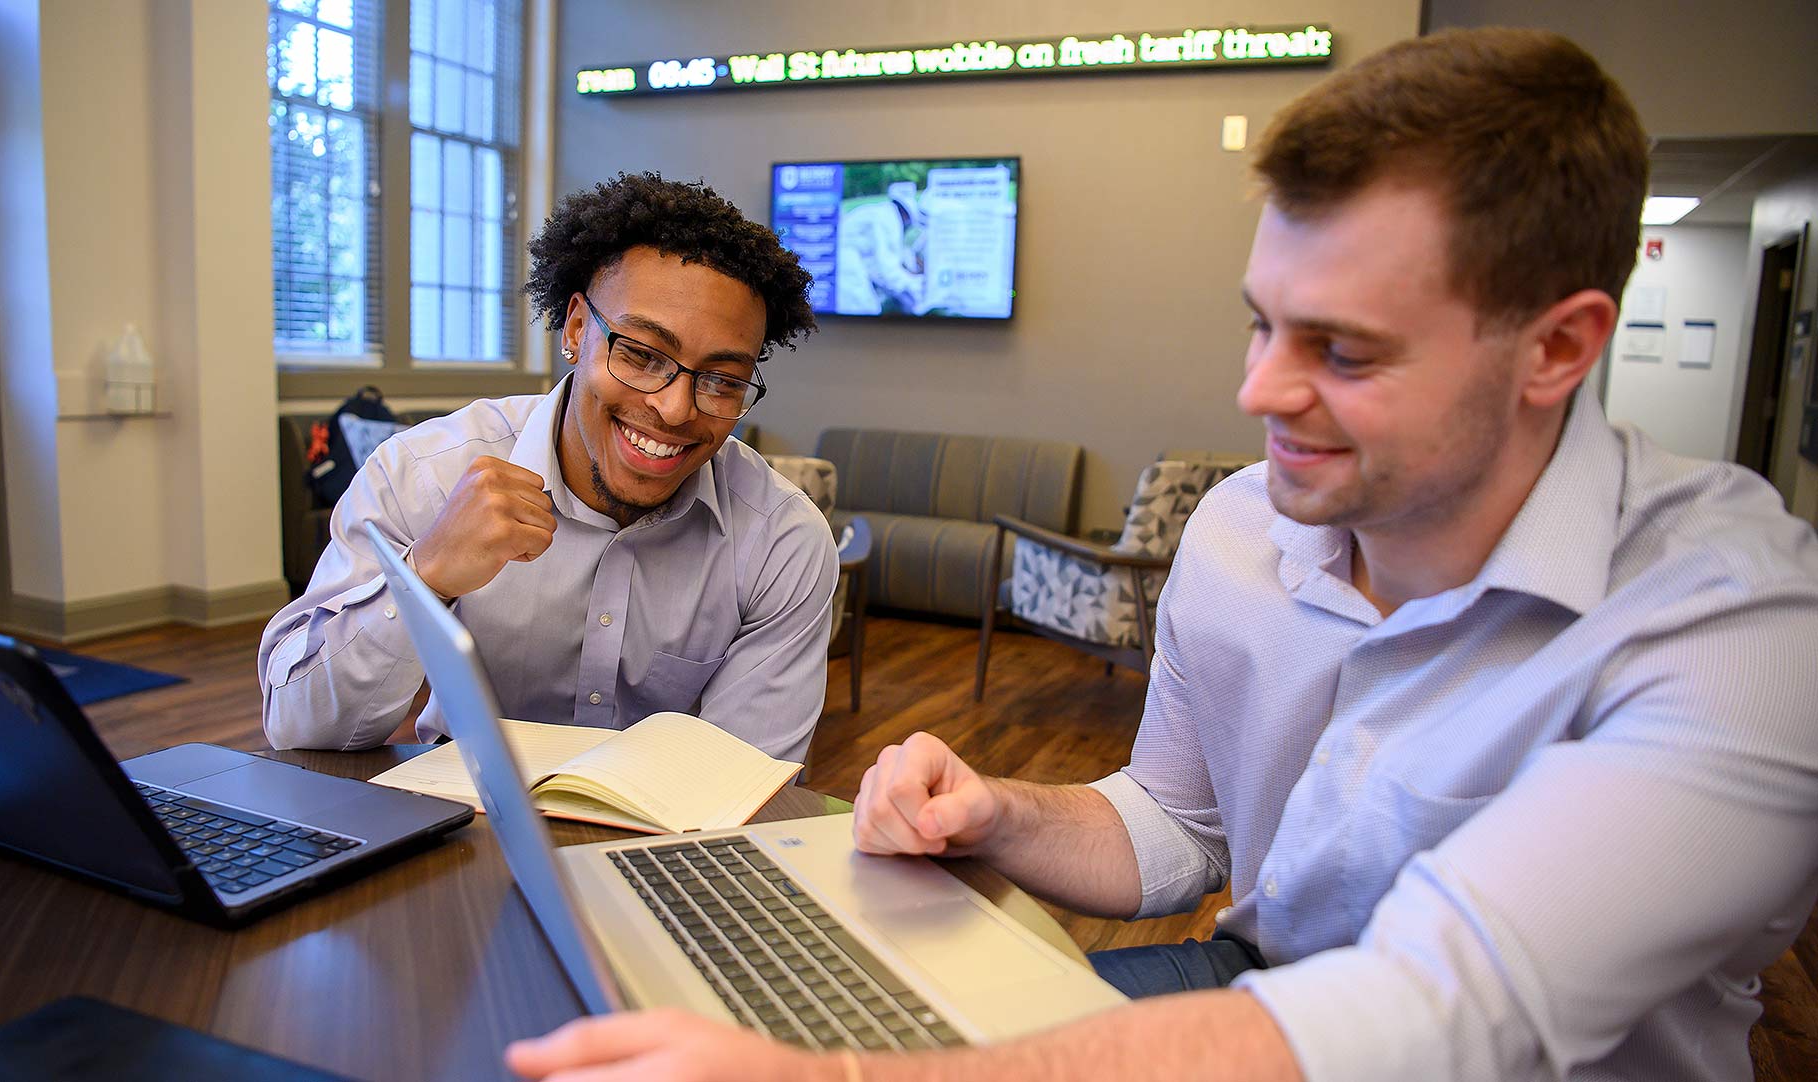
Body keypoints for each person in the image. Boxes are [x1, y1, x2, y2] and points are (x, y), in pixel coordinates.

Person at [502, 28, 1818, 1082]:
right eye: (1261, 324)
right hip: (1249, 987)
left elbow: (1442, 1012)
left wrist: (837, 1074)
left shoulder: (1743, 637)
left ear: (1559, 348)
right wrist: (998, 809)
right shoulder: (1247, 527)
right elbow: (1179, 825)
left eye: (1341, 351)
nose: (1259, 392)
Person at [258, 173, 838, 761]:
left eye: (722, 380)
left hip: (663, 842)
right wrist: (424, 576)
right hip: (460, 828)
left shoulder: (781, 542)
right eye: (639, 354)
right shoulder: (425, 473)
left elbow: (736, 784)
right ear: (578, 328)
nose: (673, 407)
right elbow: (300, 727)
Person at [836, 181, 926, 315]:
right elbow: (888, 272)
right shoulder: (889, 220)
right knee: (864, 309)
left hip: (844, 259)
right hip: (844, 264)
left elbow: (877, 265)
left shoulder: (882, 213)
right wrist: (919, 287)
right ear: (906, 216)